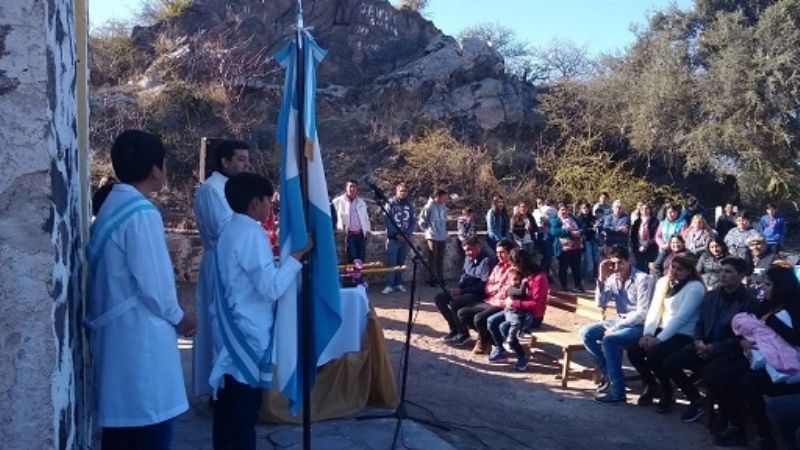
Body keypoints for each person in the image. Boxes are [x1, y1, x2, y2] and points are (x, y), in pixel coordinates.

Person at [85, 130, 197, 449]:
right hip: (140, 341)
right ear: (155, 169)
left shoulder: (112, 205)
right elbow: (155, 285)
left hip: (119, 336)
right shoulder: (142, 212)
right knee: (149, 427)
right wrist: (180, 317)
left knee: (123, 433)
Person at [209, 172, 313, 450]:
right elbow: (269, 288)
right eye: (269, 200)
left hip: (232, 328)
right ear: (256, 202)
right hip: (246, 332)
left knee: (228, 414)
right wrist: (296, 258)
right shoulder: (250, 232)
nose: (271, 206)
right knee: (242, 415)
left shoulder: (230, 228)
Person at [659, 257, 756, 425]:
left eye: (728, 271)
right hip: (704, 345)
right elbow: (701, 323)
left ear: (741, 275)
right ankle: (696, 400)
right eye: (721, 271)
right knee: (670, 362)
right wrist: (698, 341)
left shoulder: (749, 302)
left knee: (714, 374)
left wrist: (715, 347)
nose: (722, 275)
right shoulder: (711, 296)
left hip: (729, 351)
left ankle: (727, 417)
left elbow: (743, 337)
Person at [192, 139, 251, 399]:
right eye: (240, 159)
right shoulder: (211, 189)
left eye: (246, 158)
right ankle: (220, 389)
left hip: (237, 263)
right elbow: (223, 229)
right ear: (224, 162)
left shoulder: (237, 189)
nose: (246, 163)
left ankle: (236, 380)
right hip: (220, 262)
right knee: (219, 322)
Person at [728, 266, 800, 449]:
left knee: (749, 383)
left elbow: (796, 338)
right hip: (762, 356)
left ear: (780, 286)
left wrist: (771, 321)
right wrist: (743, 340)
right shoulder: (768, 303)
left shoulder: (795, 306)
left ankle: (765, 435)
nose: (763, 288)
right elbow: (750, 326)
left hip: (790, 365)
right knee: (725, 372)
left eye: (768, 284)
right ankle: (736, 425)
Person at [627, 253, 705, 413]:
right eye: (672, 267)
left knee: (656, 356)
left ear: (689, 271)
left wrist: (659, 340)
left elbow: (681, 318)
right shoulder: (663, 282)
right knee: (634, 351)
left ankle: (668, 391)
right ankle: (652, 385)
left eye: (680, 269)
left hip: (683, 333)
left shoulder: (695, 288)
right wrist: (648, 334)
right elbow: (654, 309)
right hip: (662, 329)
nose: (674, 271)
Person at [580, 245, 655, 403]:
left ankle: (618, 391)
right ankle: (607, 372)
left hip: (638, 325)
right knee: (586, 332)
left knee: (610, 340)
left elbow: (642, 313)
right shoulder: (612, 278)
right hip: (620, 320)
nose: (617, 267)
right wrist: (601, 277)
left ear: (629, 261)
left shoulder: (643, 279)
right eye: (613, 264)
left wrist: (616, 327)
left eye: (620, 263)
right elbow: (600, 303)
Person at [486, 249, 549, 371]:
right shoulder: (523, 275)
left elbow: (535, 305)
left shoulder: (539, 278)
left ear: (521, 263)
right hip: (517, 311)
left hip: (532, 316)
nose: (512, 267)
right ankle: (500, 349)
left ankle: (522, 355)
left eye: (514, 264)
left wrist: (514, 302)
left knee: (504, 327)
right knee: (491, 321)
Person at [457, 239, 515, 354]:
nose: (498, 255)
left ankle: (487, 342)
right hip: (491, 300)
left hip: (502, 303)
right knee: (462, 313)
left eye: (502, 252)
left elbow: (506, 291)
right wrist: (496, 289)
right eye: (497, 252)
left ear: (510, 253)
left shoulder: (513, 269)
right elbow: (488, 286)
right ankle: (487, 339)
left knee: (479, 318)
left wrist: (496, 289)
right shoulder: (498, 267)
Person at [435, 237, 493, 345]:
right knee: (440, 298)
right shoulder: (468, 258)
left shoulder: (487, 261)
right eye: (465, 250)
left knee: (455, 303)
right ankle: (454, 329)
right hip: (465, 290)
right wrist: (459, 288)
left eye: (470, 250)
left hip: (477, 293)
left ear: (478, 247)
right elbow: (464, 275)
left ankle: (463, 333)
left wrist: (462, 292)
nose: (468, 253)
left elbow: (482, 285)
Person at [383, 183, 415, 294]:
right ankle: (389, 284)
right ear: (396, 191)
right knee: (391, 262)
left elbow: (412, 221)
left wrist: (408, 234)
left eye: (405, 191)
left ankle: (398, 283)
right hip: (393, 239)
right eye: (401, 191)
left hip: (406, 239)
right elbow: (387, 220)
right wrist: (396, 234)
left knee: (401, 262)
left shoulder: (409, 205)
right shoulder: (390, 204)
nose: (403, 193)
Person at [332, 179, 371, 263]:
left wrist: (367, 230)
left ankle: (359, 276)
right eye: (350, 186)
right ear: (346, 188)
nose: (352, 189)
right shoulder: (338, 201)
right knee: (352, 259)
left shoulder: (361, 203)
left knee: (361, 258)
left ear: (357, 189)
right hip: (349, 235)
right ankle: (352, 276)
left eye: (354, 187)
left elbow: (365, 218)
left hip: (361, 234)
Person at [550, 204, 585, 292]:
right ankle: (564, 286)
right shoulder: (555, 220)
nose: (564, 212)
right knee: (563, 268)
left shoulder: (574, 219)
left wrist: (579, 232)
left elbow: (583, 227)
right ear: (558, 211)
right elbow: (554, 231)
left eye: (565, 210)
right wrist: (569, 233)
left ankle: (578, 285)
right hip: (563, 248)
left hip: (576, 247)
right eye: (562, 210)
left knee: (576, 267)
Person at [418, 189, 449, 286]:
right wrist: (428, 231)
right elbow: (422, 221)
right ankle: (432, 279)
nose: (444, 200)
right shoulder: (429, 206)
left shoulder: (443, 207)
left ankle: (441, 278)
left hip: (442, 235)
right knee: (432, 258)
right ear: (438, 197)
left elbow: (444, 220)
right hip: (433, 236)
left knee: (441, 258)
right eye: (443, 197)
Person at [631, 203, 659, 272]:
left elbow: (656, 235)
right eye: (642, 209)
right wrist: (639, 246)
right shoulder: (637, 222)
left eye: (646, 208)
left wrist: (646, 246)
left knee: (650, 268)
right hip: (638, 248)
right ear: (640, 211)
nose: (644, 210)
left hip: (651, 247)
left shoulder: (655, 221)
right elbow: (633, 235)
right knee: (639, 267)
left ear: (650, 210)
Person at [576, 201, 600, 281]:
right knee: (588, 260)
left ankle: (595, 277)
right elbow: (580, 230)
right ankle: (585, 277)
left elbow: (598, 226)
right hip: (586, 240)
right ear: (581, 209)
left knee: (596, 259)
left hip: (595, 240)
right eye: (584, 208)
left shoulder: (593, 217)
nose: (586, 210)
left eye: (587, 208)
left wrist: (597, 227)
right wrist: (590, 228)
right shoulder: (579, 218)